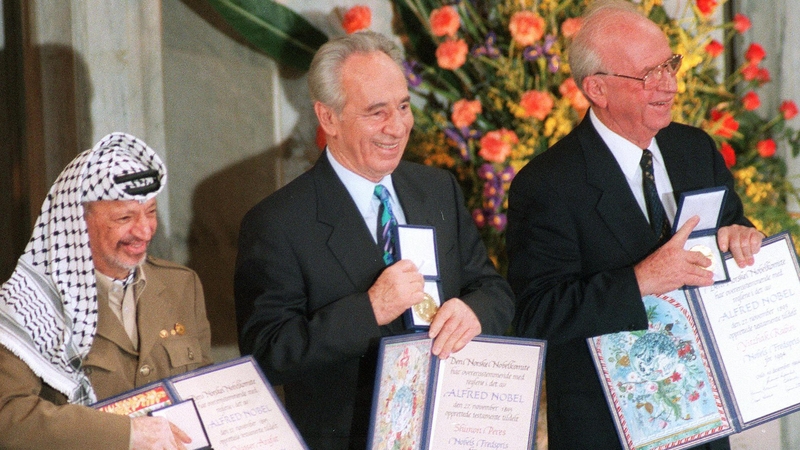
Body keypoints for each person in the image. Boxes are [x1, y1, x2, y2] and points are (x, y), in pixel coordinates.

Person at [234, 31, 515, 449]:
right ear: (328, 118)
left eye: (403, 106)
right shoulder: (277, 222)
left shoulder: (437, 189)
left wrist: (474, 312)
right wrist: (370, 309)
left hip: (450, 428)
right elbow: (268, 355)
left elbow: (493, 290)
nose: (398, 127)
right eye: (376, 112)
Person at [506, 2, 763, 449]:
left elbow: (732, 226)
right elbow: (535, 314)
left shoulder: (695, 150)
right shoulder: (547, 184)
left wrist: (742, 237)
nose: (669, 84)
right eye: (649, 74)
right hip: (606, 429)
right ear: (598, 89)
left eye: (670, 64)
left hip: (704, 418)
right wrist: (640, 281)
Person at [0, 132, 213, 449]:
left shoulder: (181, 284)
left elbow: (205, 394)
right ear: (78, 220)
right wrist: (127, 434)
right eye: (125, 217)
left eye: (151, 212)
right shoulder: (28, 304)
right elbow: (8, 418)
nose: (144, 230)